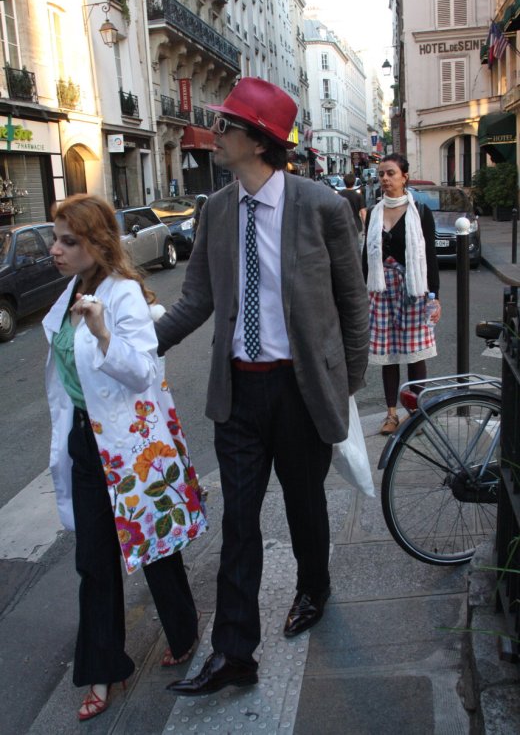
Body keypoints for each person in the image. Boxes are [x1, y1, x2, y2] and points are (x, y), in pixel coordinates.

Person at [155, 77, 369, 696]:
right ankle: (233, 654)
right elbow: (196, 299)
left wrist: (344, 384)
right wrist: (138, 343)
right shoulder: (217, 210)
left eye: (224, 125)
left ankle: (313, 588)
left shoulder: (321, 206)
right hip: (238, 393)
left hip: (300, 389)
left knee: (305, 503)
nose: (213, 133)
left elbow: (353, 304)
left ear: (258, 140)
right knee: (240, 522)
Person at [43, 194, 207, 721]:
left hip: (129, 445)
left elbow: (142, 371)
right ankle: (104, 667)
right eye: (56, 239)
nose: (55, 249)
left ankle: (182, 628)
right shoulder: (71, 289)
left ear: (97, 243)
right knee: (94, 561)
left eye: (68, 241)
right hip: (85, 442)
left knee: (153, 546)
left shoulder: (122, 294)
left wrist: (102, 333)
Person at [362, 153, 441, 435]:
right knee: (388, 355)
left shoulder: (420, 212)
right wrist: (361, 292)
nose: (385, 178)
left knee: (414, 354)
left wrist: (434, 296)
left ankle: (416, 412)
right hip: (381, 290)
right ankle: (391, 414)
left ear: (404, 177)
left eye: (391, 173)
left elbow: (429, 257)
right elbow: (366, 255)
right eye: (381, 174)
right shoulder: (373, 213)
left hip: (413, 289)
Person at [339, 172, 367, 245]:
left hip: (343, 225)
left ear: (344, 182)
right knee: (358, 246)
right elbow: (363, 213)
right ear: (354, 182)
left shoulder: (339, 195)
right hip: (356, 225)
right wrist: (366, 226)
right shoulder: (358, 196)